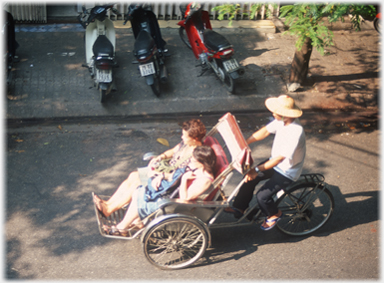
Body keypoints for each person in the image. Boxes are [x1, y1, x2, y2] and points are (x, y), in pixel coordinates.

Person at [93, 119, 206, 218]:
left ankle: (109, 210)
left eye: (185, 136)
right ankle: (108, 203)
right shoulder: (186, 144)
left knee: (137, 182)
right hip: (165, 170)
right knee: (133, 175)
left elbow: (177, 177)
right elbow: (172, 151)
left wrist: (158, 174)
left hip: (168, 181)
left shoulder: (196, 156)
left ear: (195, 138)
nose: (182, 137)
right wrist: (161, 157)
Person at [226, 95, 306, 231]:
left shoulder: (295, 131)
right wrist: (246, 142)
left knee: (262, 196)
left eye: (276, 112)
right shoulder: (281, 121)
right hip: (274, 163)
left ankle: (274, 214)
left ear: (285, 114)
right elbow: (265, 131)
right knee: (248, 179)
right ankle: (240, 207)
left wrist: (256, 170)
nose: (273, 113)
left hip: (287, 170)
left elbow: (279, 159)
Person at [103, 146, 216, 236]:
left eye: (193, 160)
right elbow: (174, 177)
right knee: (139, 191)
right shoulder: (195, 168)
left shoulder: (205, 180)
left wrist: (185, 179)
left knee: (141, 198)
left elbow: (184, 198)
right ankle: (133, 221)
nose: (190, 161)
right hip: (170, 193)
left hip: (175, 204)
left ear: (202, 162)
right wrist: (161, 176)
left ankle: (122, 227)